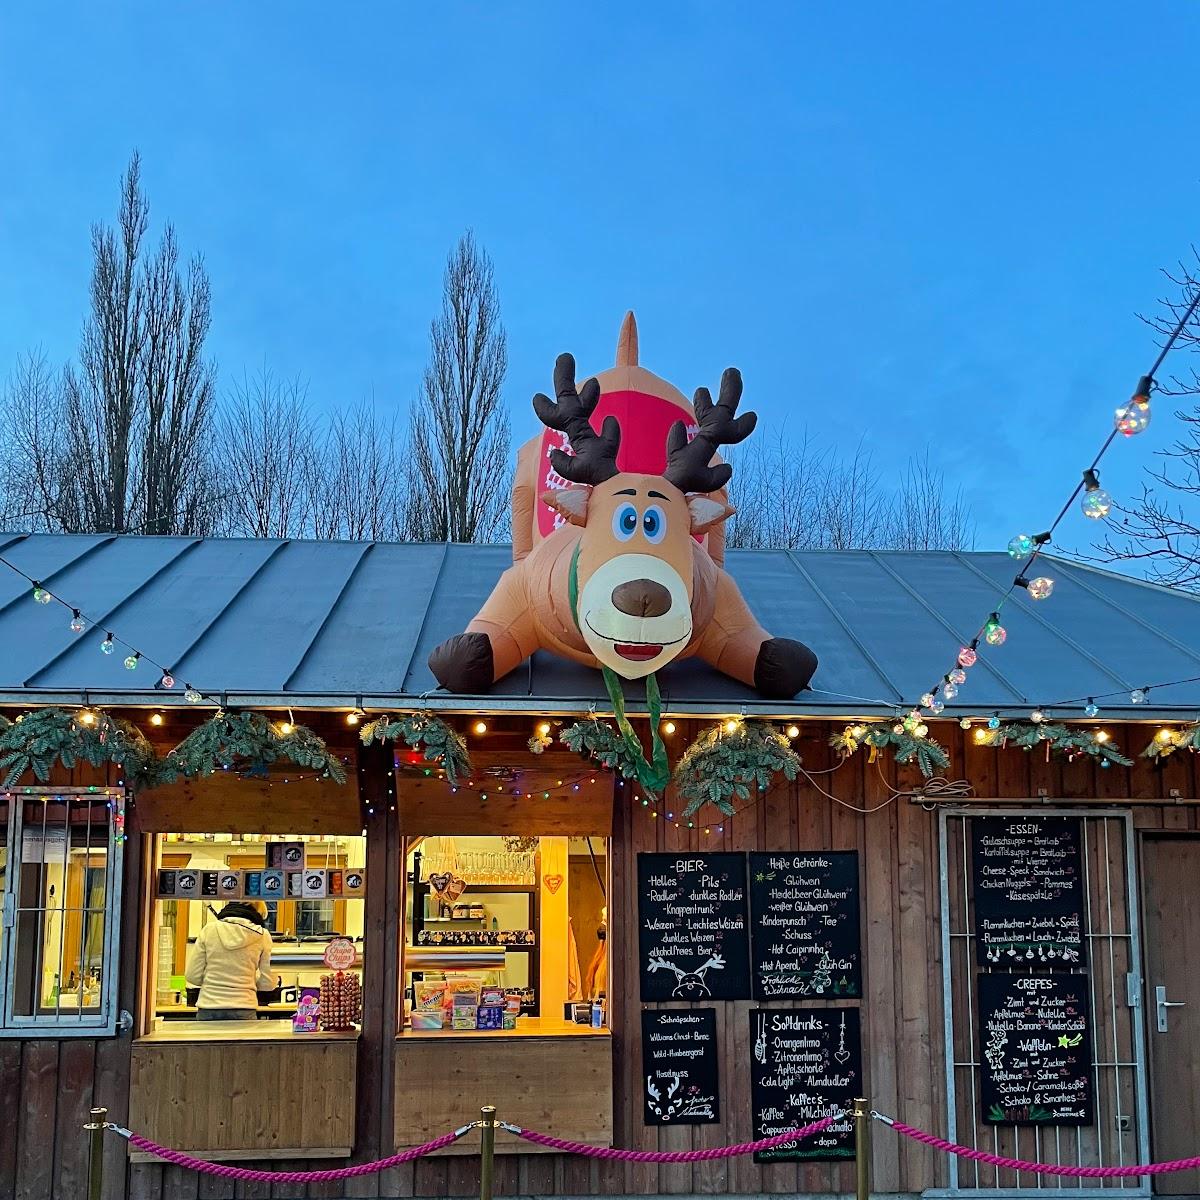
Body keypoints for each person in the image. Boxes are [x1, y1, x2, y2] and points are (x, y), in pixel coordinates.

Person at [185, 899, 274, 1020]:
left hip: (209, 1006)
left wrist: (214, 982)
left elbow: (192, 976)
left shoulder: (209, 930)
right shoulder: (263, 935)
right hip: (244, 1006)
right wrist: (249, 980)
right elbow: (267, 983)